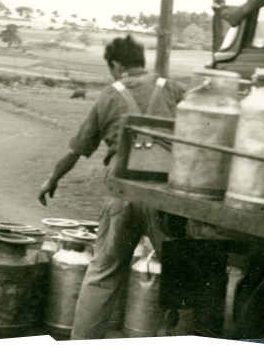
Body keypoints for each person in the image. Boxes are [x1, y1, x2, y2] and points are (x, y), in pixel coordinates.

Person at [38, 35, 184, 339]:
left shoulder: (108, 96)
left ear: (116, 65)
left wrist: (52, 179)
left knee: (103, 274)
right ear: (141, 61)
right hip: (168, 198)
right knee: (188, 275)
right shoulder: (172, 88)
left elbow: (76, 150)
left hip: (123, 195)